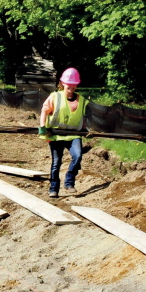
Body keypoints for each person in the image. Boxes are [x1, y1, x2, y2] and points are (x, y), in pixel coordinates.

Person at [39, 68, 89, 197]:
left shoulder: (82, 100)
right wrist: (42, 127)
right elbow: (44, 111)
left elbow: (83, 116)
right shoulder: (55, 97)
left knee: (77, 156)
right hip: (56, 135)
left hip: (74, 135)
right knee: (56, 162)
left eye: (74, 84)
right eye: (69, 84)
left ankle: (69, 182)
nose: (71, 87)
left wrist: (85, 129)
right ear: (62, 83)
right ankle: (54, 188)